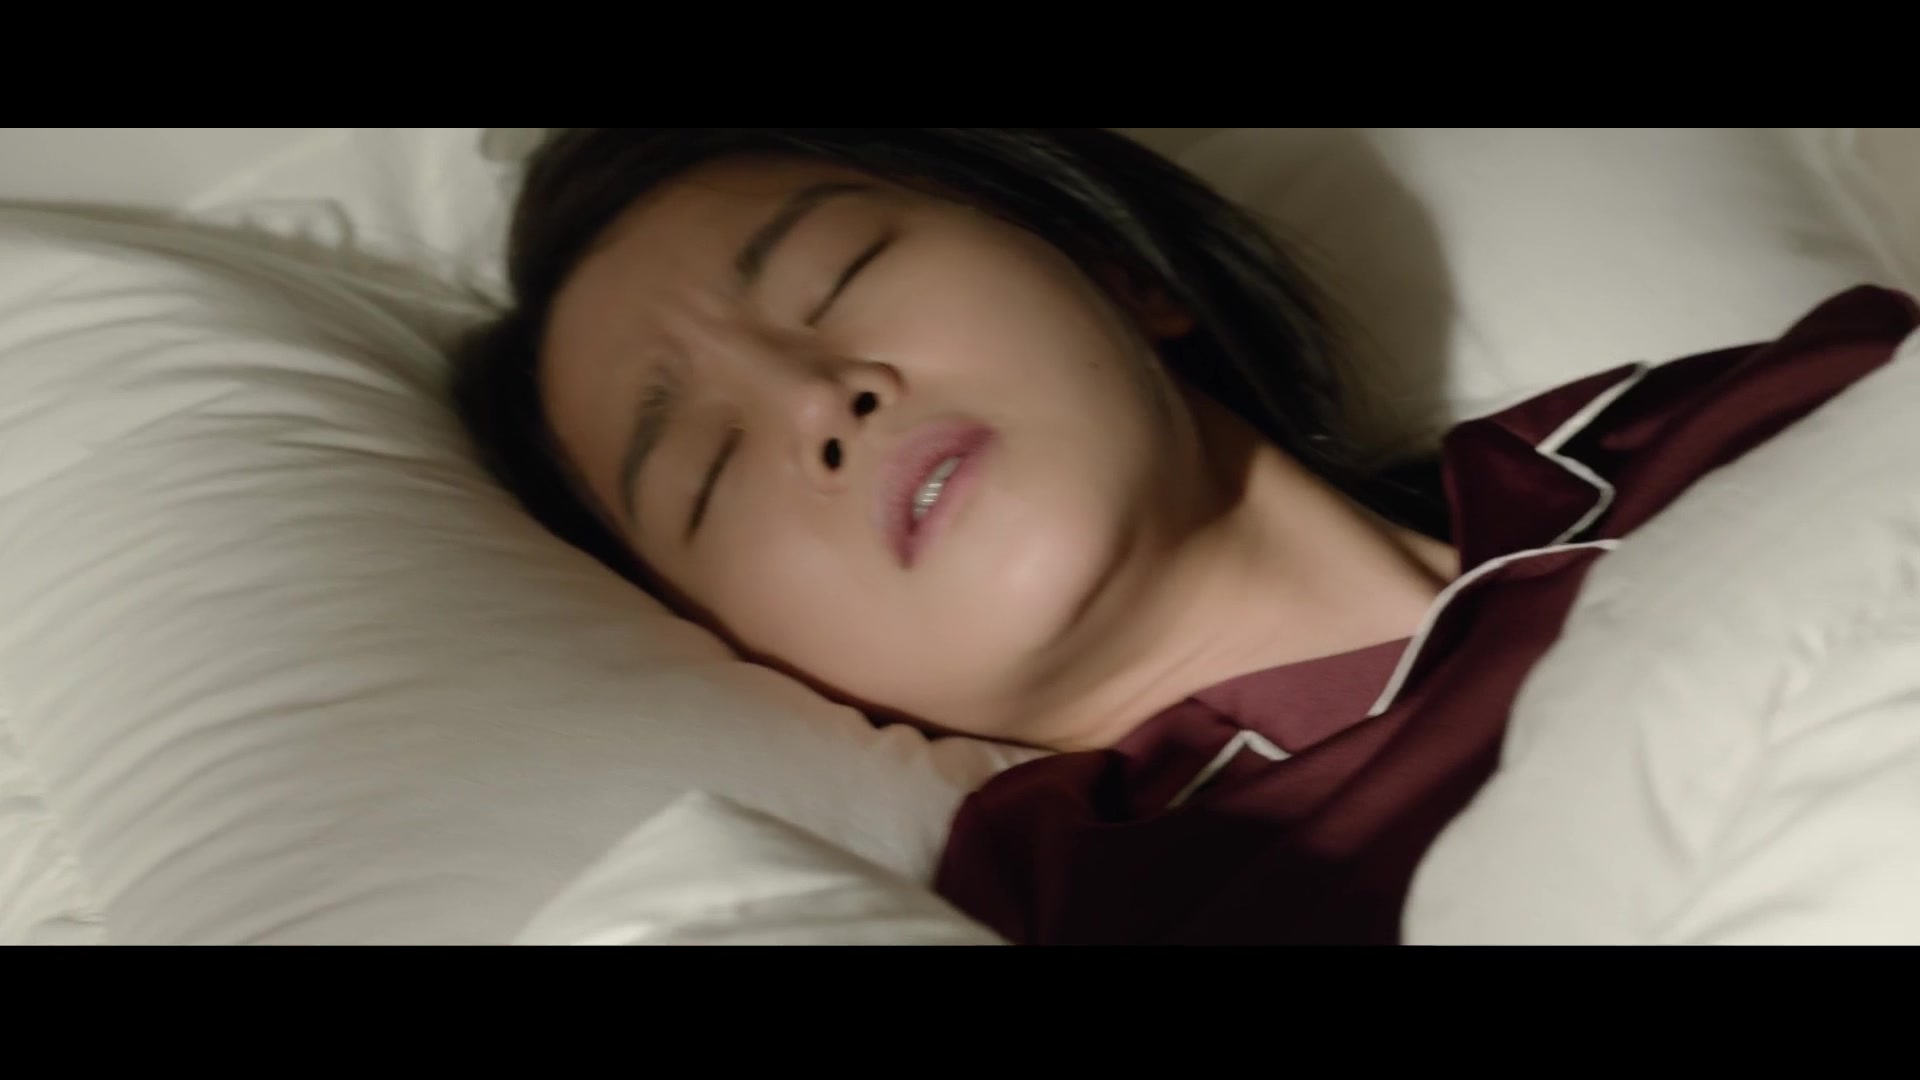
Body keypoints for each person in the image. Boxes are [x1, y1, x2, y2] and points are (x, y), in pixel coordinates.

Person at [451, 128, 1918, 944]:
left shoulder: (1749, 416)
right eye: (708, 470)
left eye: (840, 274)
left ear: (1118, 267)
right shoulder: (1090, 912)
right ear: (741, 649)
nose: (816, 401)